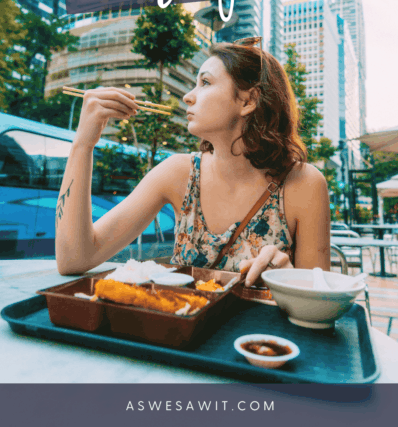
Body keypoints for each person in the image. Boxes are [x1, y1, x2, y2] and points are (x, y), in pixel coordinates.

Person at [56, 40, 330, 286]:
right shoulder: (178, 173)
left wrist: (290, 277)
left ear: (248, 101)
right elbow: (74, 259)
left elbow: (318, 307)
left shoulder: (304, 184)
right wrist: (83, 143)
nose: (188, 96)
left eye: (205, 82)